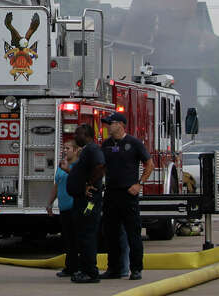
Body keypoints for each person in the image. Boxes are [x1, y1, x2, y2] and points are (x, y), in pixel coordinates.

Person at [100, 113, 153, 281]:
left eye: (111, 123)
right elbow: (100, 167)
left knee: (133, 234)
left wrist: (139, 184)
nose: (108, 126)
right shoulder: (106, 145)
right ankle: (114, 268)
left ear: (121, 125)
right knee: (111, 233)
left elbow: (149, 164)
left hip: (128, 194)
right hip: (110, 193)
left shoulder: (134, 143)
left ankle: (136, 269)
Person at [65, 123, 106, 284]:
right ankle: (84, 269)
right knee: (82, 236)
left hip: (89, 202)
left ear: (87, 136)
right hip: (80, 200)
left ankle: (91, 272)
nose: (75, 137)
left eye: (78, 134)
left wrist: (89, 183)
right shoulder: (86, 151)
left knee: (87, 236)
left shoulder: (92, 150)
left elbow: (101, 166)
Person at [47, 139, 80, 278]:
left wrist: (68, 168)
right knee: (67, 239)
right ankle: (69, 267)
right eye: (64, 148)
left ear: (76, 150)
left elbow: (81, 180)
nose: (65, 151)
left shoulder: (78, 165)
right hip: (64, 208)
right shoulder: (61, 166)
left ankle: (79, 267)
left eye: (68, 148)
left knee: (77, 239)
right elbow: (57, 185)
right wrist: (49, 203)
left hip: (75, 207)